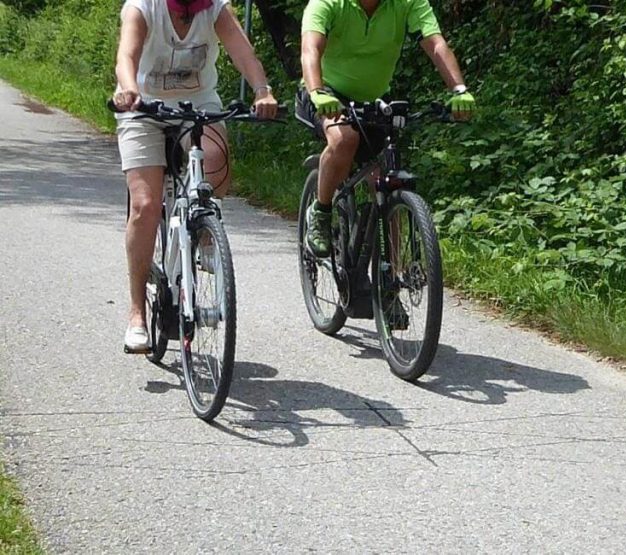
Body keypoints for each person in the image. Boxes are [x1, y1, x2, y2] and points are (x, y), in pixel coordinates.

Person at [113, 0, 278, 353]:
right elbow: (126, 56)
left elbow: (243, 53)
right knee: (143, 205)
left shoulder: (214, 8)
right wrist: (129, 89)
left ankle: (202, 233)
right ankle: (137, 314)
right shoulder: (143, 7)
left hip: (198, 105)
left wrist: (262, 90)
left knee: (217, 162)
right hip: (144, 107)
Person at [295, 0, 476, 258]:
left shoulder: (408, 3)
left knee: (384, 181)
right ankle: (321, 213)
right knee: (343, 138)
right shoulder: (328, 2)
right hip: (325, 92)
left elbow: (435, 44)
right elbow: (310, 49)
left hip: (375, 97)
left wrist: (459, 89)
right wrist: (317, 91)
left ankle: (390, 284)